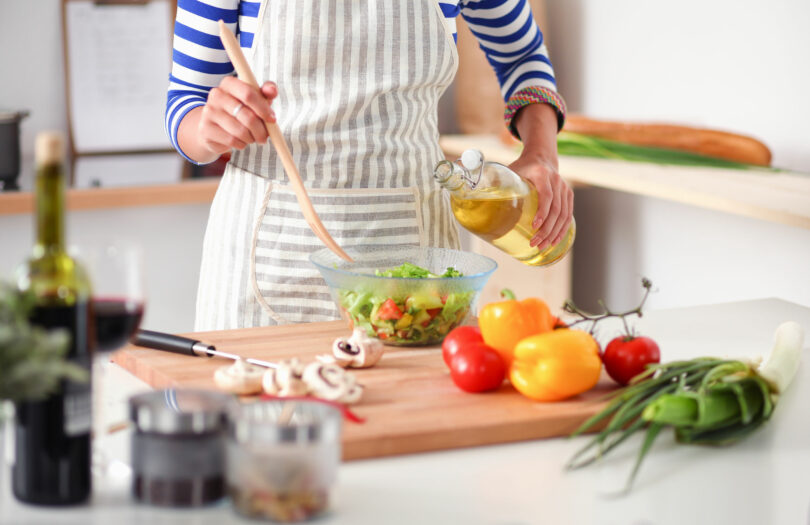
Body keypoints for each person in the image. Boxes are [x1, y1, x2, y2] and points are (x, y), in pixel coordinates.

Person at [165, 0, 572, 330]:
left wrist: (541, 153)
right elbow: (185, 104)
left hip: (417, 257)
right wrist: (210, 128)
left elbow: (523, 55)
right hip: (266, 265)